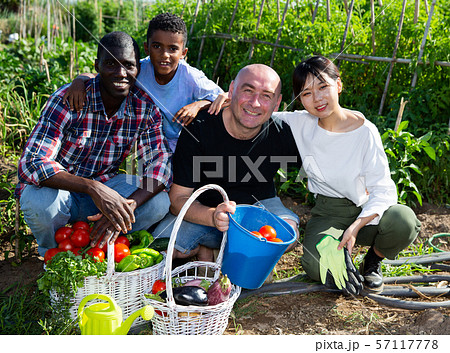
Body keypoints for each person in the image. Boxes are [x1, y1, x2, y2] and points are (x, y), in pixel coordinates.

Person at [16, 31, 172, 257]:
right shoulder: (68, 100)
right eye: (111, 64)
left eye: (128, 65)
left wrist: (130, 205)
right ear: (97, 66)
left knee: (159, 201)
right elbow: (31, 163)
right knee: (38, 200)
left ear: (138, 68)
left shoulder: (144, 108)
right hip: (62, 192)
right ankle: (55, 253)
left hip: (106, 186)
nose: (121, 73)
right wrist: (92, 187)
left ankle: (103, 239)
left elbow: (161, 163)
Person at [273, 55, 421, 293]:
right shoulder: (300, 123)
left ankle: (372, 261)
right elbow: (254, 110)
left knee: (404, 222)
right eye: (307, 93)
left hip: (365, 210)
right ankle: (339, 257)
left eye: (323, 87)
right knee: (313, 263)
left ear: (338, 85)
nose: (317, 98)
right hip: (329, 213)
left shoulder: (365, 132)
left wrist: (355, 227)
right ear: (300, 99)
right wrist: (222, 99)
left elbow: (383, 190)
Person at [153, 64, 302, 262]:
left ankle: (216, 255)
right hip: (206, 213)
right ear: (231, 90)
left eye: (266, 95)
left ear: (277, 102)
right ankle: (225, 255)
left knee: (288, 233)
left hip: (257, 212)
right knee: (163, 246)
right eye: (248, 91)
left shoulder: (282, 131)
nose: (255, 103)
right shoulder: (199, 128)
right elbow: (177, 199)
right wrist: (213, 216)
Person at [63, 13, 226, 152]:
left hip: (185, 143)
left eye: (173, 49)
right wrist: (79, 80)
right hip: (151, 144)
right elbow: (105, 76)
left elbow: (225, 98)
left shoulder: (191, 77)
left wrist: (198, 105)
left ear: (183, 53)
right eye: (157, 46)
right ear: (147, 48)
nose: (165, 55)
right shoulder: (140, 69)